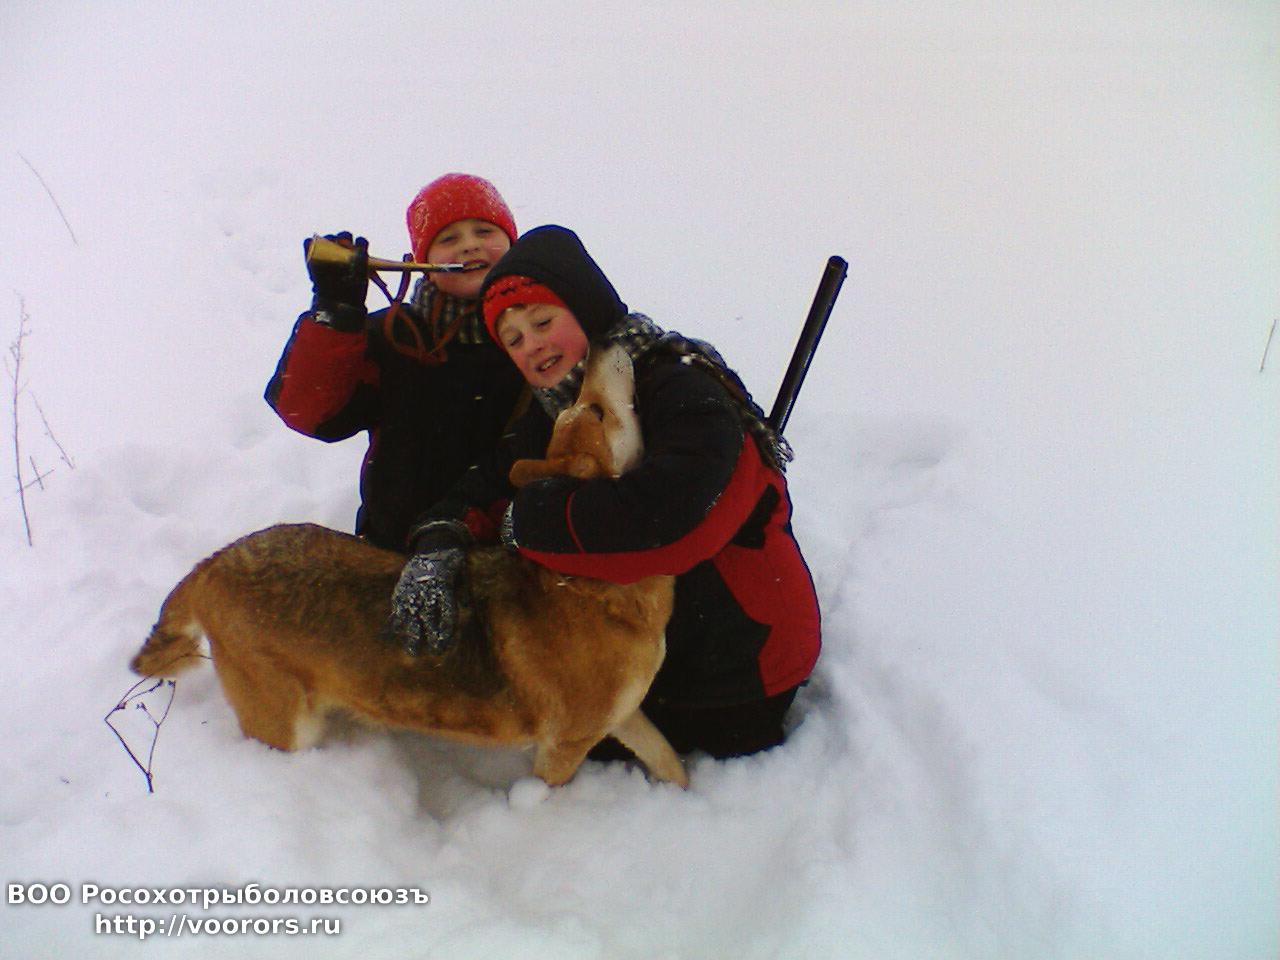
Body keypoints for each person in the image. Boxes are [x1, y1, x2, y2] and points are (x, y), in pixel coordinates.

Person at [388, 224, 821, 759]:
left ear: (587, 309)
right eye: (514, 340)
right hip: (649, 656)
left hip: (736, 674)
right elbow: (492, 483)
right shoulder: (559, 408)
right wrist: (441, 537)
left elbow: (674, 523)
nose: (532, 344)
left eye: (542, 322)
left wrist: (531, 523)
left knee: (554, 721)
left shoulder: (682, 388)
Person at [264, 173, 526, 551]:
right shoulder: (392, 337)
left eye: (484, 232)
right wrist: (335, 312)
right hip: (395, 553)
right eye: (448, 239)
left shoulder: (545, 337)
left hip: (516, 556)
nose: (469, 245)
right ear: (422, 261)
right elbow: (310, 412)